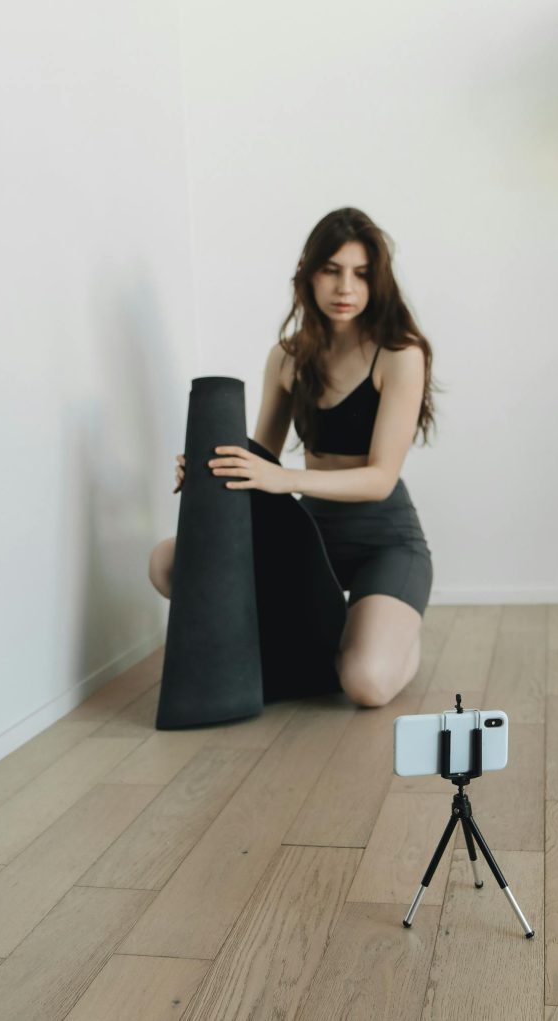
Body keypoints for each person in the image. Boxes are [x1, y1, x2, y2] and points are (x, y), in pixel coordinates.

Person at [149, 207, 437, 708]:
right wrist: (207, 471)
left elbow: (380, 479)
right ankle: (338, 633)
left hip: (384, 542)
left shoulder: (399, 354)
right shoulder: (286, 357)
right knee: (167, 563)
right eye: (331, 270)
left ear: (378, 282)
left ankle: (397, 639)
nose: (345, 287)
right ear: (309, 273)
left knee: (365, 684)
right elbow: (260, 457)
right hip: (312, 534)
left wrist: (280, 477)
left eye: (361, 274)